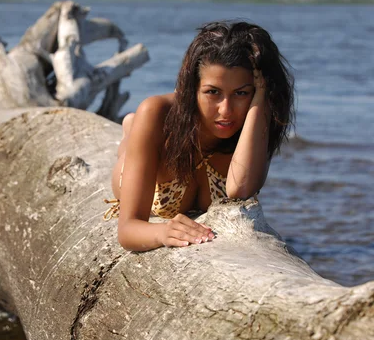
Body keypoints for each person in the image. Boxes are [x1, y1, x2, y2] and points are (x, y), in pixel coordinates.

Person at [103, 21, 295, 252]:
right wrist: (163, 232)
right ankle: (131, 130)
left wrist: (262, 97)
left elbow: (239, 189)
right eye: (213, 92)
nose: (226, 110)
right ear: (191, 88)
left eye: (241, 93)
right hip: (151, 142)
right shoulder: (157, 115)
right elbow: (128, 231)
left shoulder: (255, 126)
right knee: (133, 139)